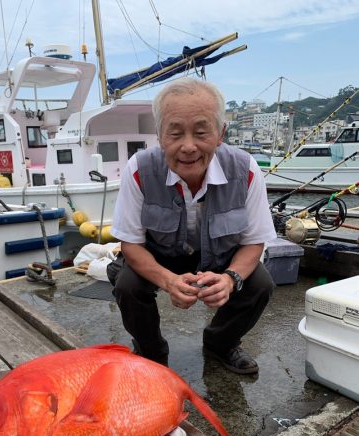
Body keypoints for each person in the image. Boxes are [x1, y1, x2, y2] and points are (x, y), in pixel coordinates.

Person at [107, 78, 276, 374]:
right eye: (175, 133)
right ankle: (150, 351)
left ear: (220, 133)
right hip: (160, 253)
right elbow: (131, 244)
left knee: (260, 283)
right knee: (128, 284)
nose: (188, 147)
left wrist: (231, 278)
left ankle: (221, 343)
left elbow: (254, 241)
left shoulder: (247, 170)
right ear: (160, 136)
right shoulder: (139, 169)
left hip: (221, 256)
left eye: (201, 132)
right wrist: (167, 280)